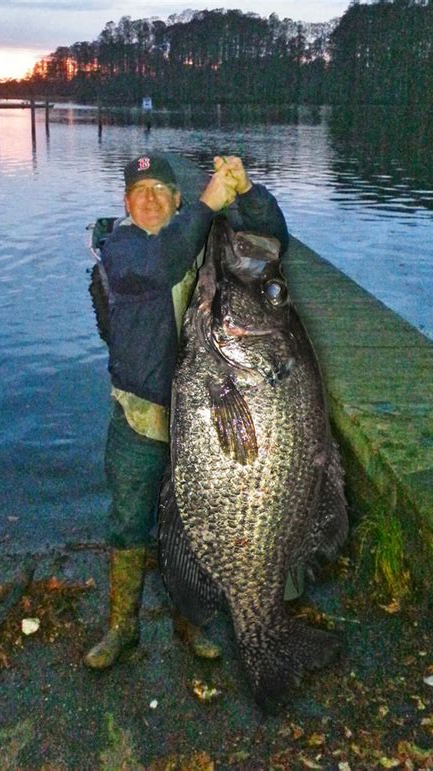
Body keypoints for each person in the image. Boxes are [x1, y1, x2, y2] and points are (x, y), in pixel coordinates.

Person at [83, 153, 289, 670]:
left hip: (201, 423)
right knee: (130, 521)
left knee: (193, 525)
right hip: (140, 416)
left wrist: (245, 193)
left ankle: (190, 624)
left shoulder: (201, 239)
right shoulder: (121, 249)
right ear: (126, 205)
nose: (148, 198)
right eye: (138, 192)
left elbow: (270, 241)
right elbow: (162, 264)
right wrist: (206, 205)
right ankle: (121, 628)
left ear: (177, 199)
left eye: (159, 189)